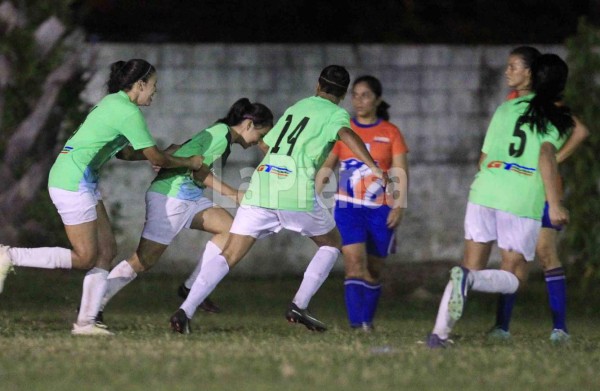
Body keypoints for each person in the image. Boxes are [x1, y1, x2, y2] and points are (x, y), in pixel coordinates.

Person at [169, 64, 387, 334]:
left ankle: (185, 310)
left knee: (230, 253)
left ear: (318, 86)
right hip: (295, 190)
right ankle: (299, 304)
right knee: (331, 243)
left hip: (261, 185)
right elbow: (346, 134)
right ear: (343, 95)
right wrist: (374, 167)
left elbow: (267, 143)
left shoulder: (297, 107)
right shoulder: (337, 114)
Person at [0, 59, 204, 335]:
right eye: (153, 86)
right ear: (140, 84)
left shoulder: (114, 103)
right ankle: (8, 255)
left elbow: (124, 152)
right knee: (85, 257)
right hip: (72, 180)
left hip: (80, 178)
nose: (154, 92)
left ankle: (85, 323)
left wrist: (160, 155)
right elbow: (155, 157)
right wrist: (188, 161)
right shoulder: (127, 111)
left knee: (106, 251)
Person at [426, 53, 573, 348]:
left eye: (513, 67)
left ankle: (439, 335)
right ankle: (470, 283)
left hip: (484, 190)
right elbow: (547, 156)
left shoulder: (505, 109)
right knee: (515, 276)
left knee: (470, 266)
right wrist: (555, 203)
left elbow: (483, 159)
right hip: (520, 197)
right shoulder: (556, 116)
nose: (508, 71)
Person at [95, 98, 273, 327]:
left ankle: (191, 286)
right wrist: (233, 194)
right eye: (261, 134)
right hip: (171, 197)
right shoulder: (221, 135)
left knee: (231, 230)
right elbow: (199, 172)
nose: (259, 141)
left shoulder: (221, 134)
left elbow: (189, 153)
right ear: (249, 124)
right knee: (142, 261)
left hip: (189, 197)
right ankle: (94, 304)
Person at [488, 47, 589, 342]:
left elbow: (580, 131)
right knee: (512, 261)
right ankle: (501, 327)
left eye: (514, 66)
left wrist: (554, 159)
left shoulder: (548, 103)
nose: (508, 72)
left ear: (530, 73)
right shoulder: (511, 103)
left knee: (546, 253)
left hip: (542, 190)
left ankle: (559, 328)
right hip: (517, 190)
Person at [317, 75, 408, 331]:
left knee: (374, 271)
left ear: (377, 100)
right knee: (354, 264)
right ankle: (357, 325)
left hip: (381, 209)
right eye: (354, 95)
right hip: (348, 208)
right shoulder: (343, 130)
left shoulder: (391, 132)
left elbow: (400, 171)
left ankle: (367, 321)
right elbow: (327, 167)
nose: (358, 100)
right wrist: (311, 194)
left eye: (365, 95)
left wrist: (399, 206)